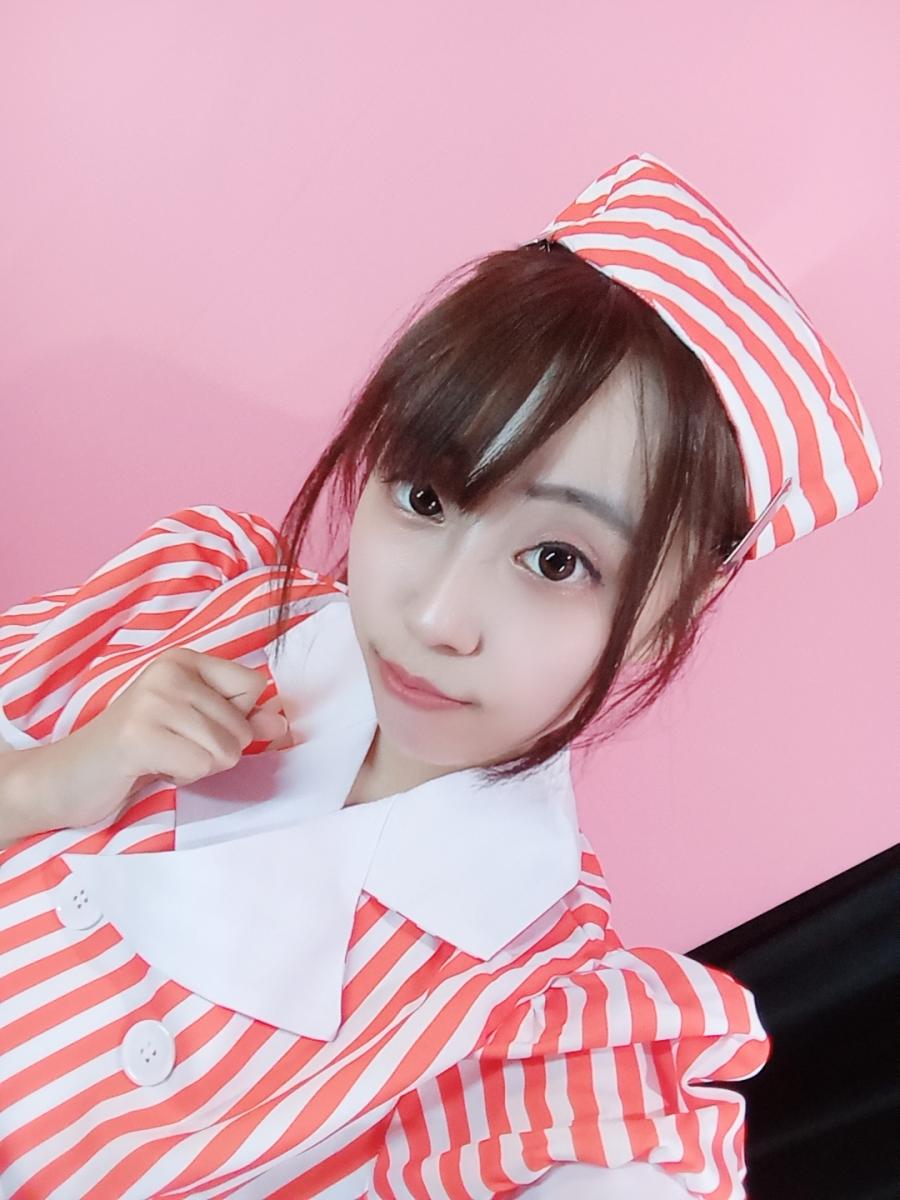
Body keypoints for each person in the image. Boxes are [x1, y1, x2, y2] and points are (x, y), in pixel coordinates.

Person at [0, 151, 883, 1198]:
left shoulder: (541, 1026)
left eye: (556, 561)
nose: (432, 619)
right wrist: (51, 780)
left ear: (667, 621)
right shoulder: (191, 599)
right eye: (423, 496)